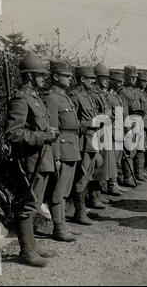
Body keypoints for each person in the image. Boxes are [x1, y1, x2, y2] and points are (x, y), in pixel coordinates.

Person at [6, 51, 58, 267]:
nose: (44, 79)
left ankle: (32, 247)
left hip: (41, 159)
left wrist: (47, 133)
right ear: (29, 76)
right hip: (31, 161)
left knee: (34, 204)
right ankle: (27, 252)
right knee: (28, 205)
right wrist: (43, 136)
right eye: (40, 75)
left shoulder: (34, 98)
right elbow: (13, 133)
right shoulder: (21, 99)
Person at [42, 59, 81, 242]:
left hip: (72, 145)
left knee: (65, 189)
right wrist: (56, 156)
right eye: (66, 75)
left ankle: (63, 224)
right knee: (58, 191)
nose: (70, 78)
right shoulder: (51, 98)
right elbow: (53, 129)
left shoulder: (64, 97)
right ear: (56, 77)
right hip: (63, 147)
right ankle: (58, 228)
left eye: (70, 75)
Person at [69, 66, 102, 225]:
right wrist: (92, 123)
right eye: (90, 78)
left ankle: (82, 209)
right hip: (82, 142)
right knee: (81, 176)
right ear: (82, 79)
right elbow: (71, 123)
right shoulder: (75, 97)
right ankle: (79, 212)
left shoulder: (87, 96)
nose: (93, 81)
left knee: (87, 175)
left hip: (91, 141)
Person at [89, 62, 119, 202]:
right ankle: (94, 196)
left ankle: (98, 193)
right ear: (97, 78)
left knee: (104, 164)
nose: (107, 81)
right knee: (96, 165)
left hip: (104, 131)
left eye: (107, 78)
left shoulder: (102, 94)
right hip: (97, 132)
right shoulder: (93, 94)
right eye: (104, 78)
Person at [119, 65, 144, 187]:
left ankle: (137, 173)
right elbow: (124, 112)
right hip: (129, 123)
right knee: (129, 150)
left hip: (137, 122)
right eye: (131, 77)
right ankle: (127, 177)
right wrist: (127, 129)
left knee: (137, 149)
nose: (134, 79)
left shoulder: (134, 91)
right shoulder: (123, 92)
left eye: (135, 77)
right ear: (125, 77)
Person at [106, 69, 128, 193]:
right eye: (117, 81)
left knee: (117, 159)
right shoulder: (108, 96)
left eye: (121, 82)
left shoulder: (116, 95)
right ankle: (110, 185)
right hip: (113, 132)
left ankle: (115, 183)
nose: (120, 84)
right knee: (112, 159)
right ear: (111, 81)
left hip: (119, 131)